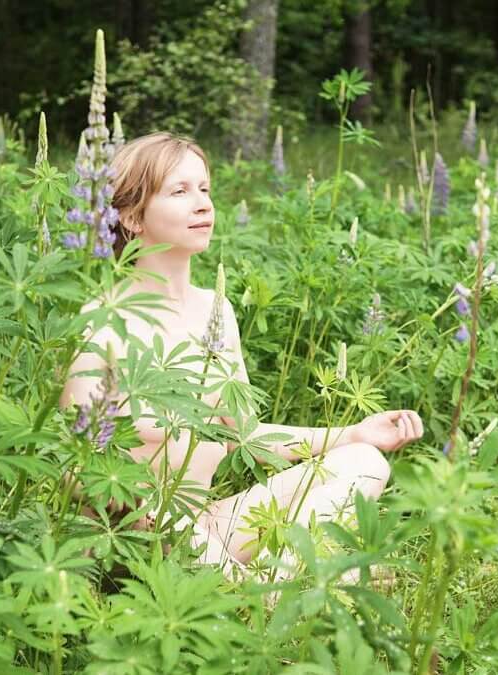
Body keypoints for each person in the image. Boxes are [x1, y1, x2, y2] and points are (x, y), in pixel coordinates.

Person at [60, 132, 423, 580]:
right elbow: (71, 469)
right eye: (180, 191)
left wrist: (353, 433)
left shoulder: (217, 310)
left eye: (205, 189)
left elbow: (245, 437)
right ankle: (288, 592)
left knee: (365, 462)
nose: (203, 204)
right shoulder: (104, 316)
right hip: (135, 540)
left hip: (206, 526)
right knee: (180, 531)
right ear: (133, 216)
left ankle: (284, 581)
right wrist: (133, 501)